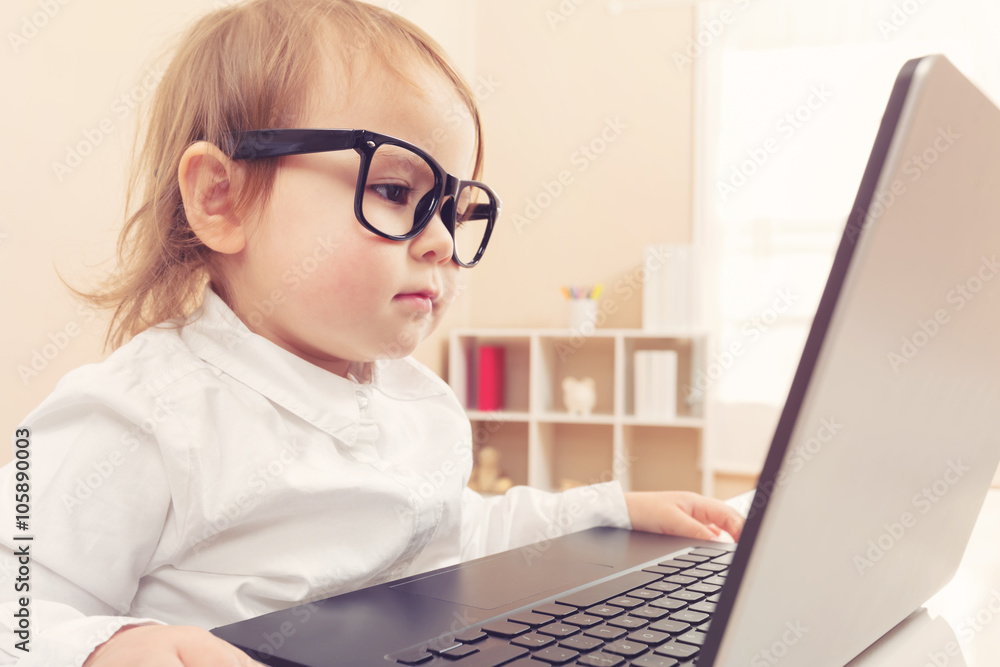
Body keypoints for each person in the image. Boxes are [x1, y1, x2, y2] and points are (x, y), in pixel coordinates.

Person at [0, 1, 744, 664]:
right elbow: (17, 600)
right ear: (221, 198)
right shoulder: (139, 412)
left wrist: (608, 513)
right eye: (395, 191)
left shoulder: (417, 402)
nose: (443, 244)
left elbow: (459, 534)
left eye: (455, 211)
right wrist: (104, 647)